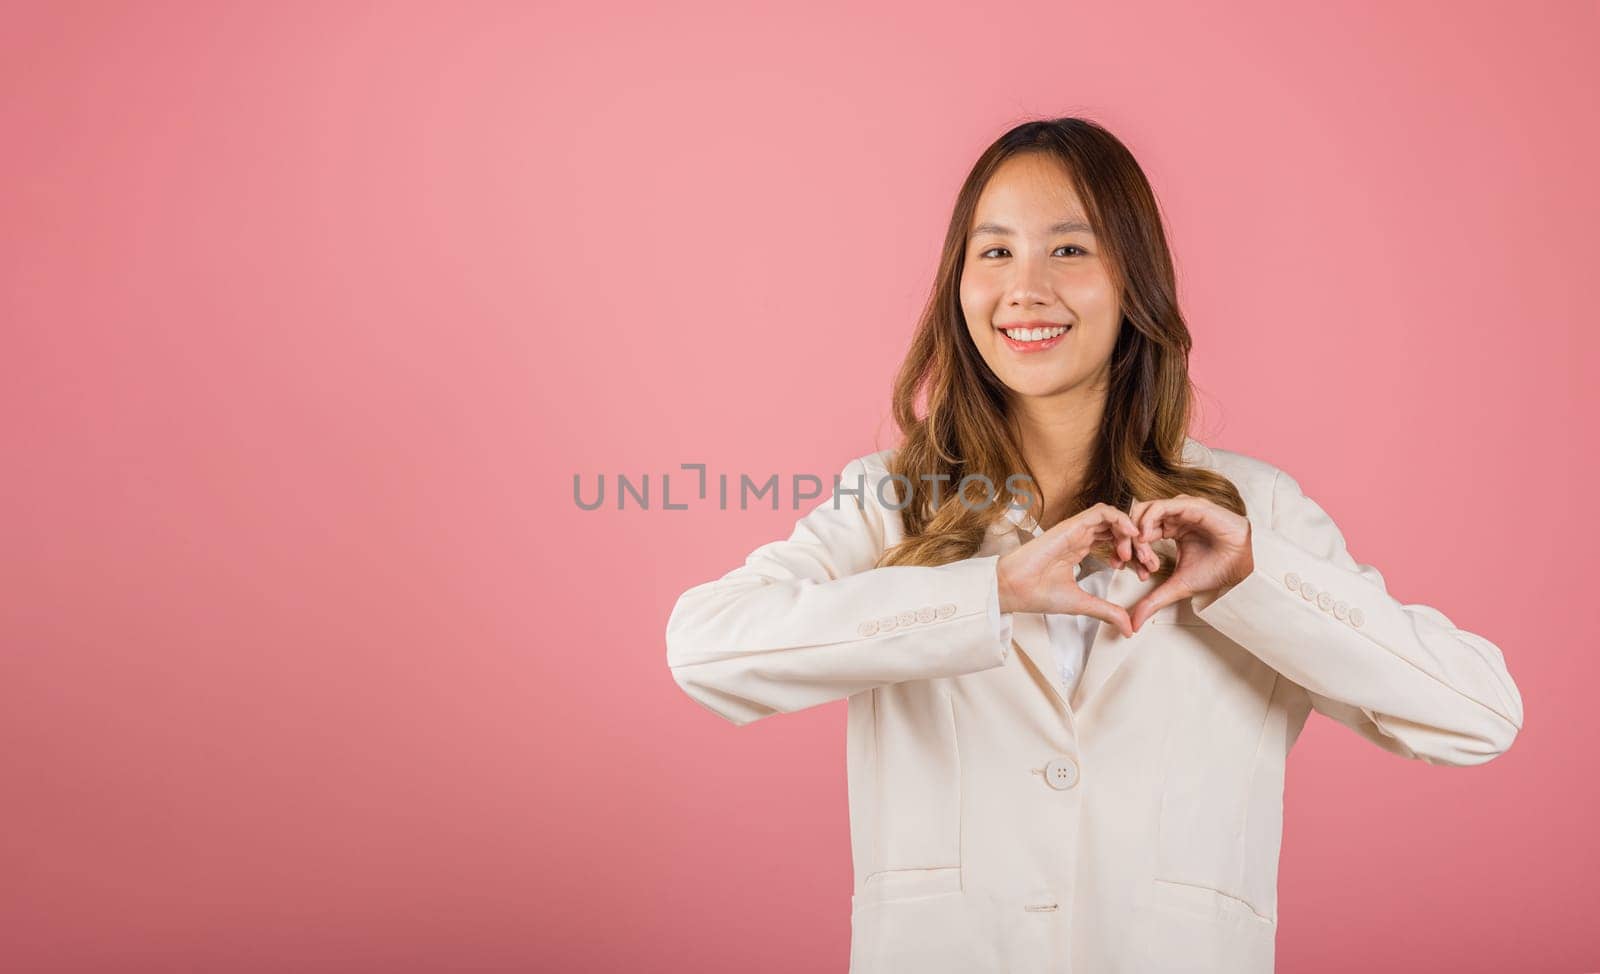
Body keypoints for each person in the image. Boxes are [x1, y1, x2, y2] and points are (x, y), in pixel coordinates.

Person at [663, 116, 1523, 974]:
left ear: (1134, 281)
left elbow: (1478, 718)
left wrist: (1256, 583)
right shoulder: (893, 500)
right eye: (993, 252)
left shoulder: (1252, 511)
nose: (1025, 289)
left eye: (1069, 250)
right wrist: (985, 590)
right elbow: (706, 648)